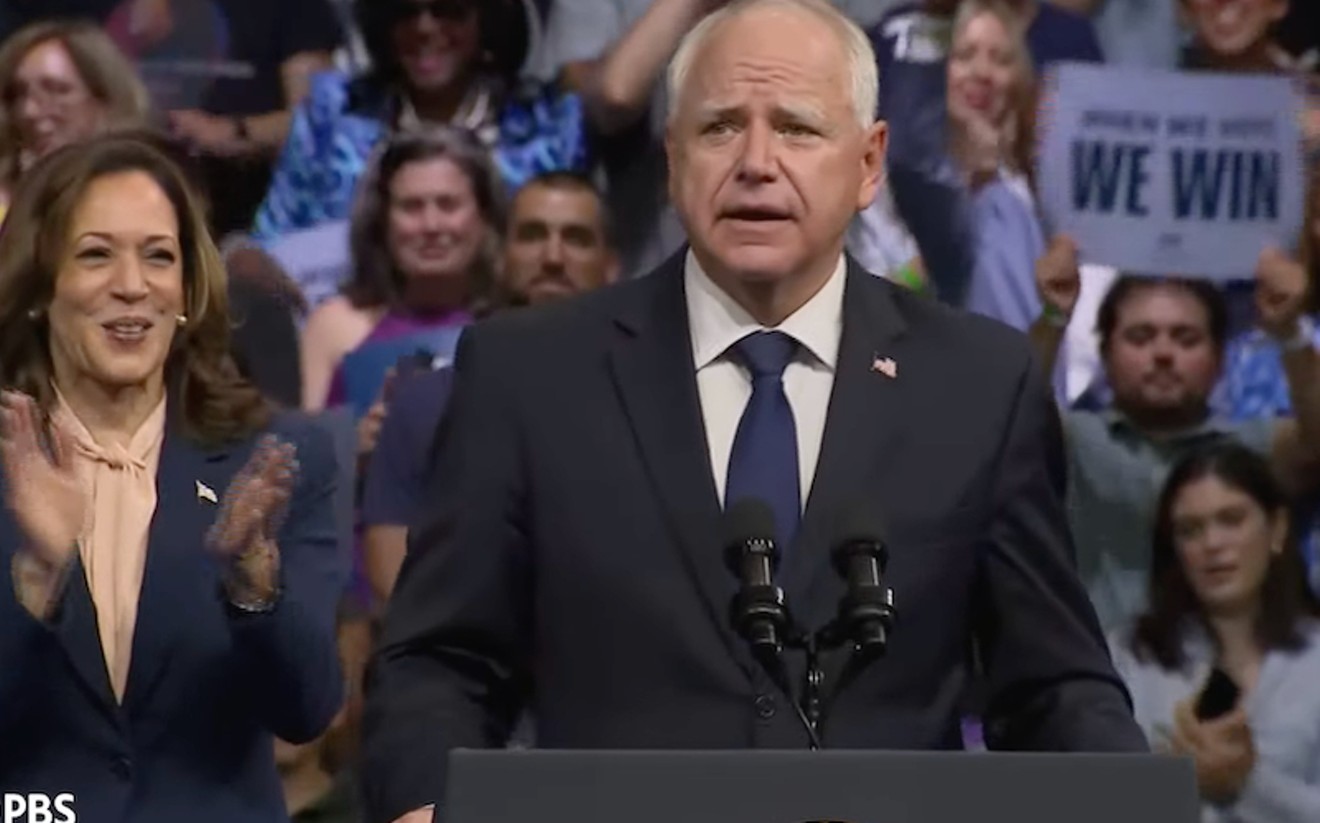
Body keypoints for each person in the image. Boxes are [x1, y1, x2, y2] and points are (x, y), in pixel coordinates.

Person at [362, 1, 1147, 820]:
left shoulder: (980, 382)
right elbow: (436, 663)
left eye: (800, 129)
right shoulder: (530, 374)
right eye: (720, 128)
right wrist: (424, 804)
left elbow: (1054, 683)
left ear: (869, 163)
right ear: (672, 159)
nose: (757, 162)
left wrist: (1126, 799)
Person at [0, 133, 344, 822]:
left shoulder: (277, 456)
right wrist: (38, 577)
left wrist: (255, 590)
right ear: (41, 287)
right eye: (96, 254)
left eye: (159, 256)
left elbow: (307, 708)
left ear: (187, 290)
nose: (133, 284)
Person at [361, 170, 617, 605]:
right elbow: (393, 582)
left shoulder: (650, 403)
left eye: (576, 238)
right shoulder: (427, 405)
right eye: (533, 234)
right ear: (500, 255)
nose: (553, 257)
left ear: (612, 266)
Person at [1110, 443, 1320, 820]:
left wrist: (1247, 783)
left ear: (1277, 529)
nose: (1212, 544)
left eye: (1232, 520)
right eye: (1190, 530)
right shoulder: (1127, 657)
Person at [0, 19, 150, 222]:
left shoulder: (148, 196)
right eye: (18, 94)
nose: (29, 110)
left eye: (55, 90)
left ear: (103, 100)